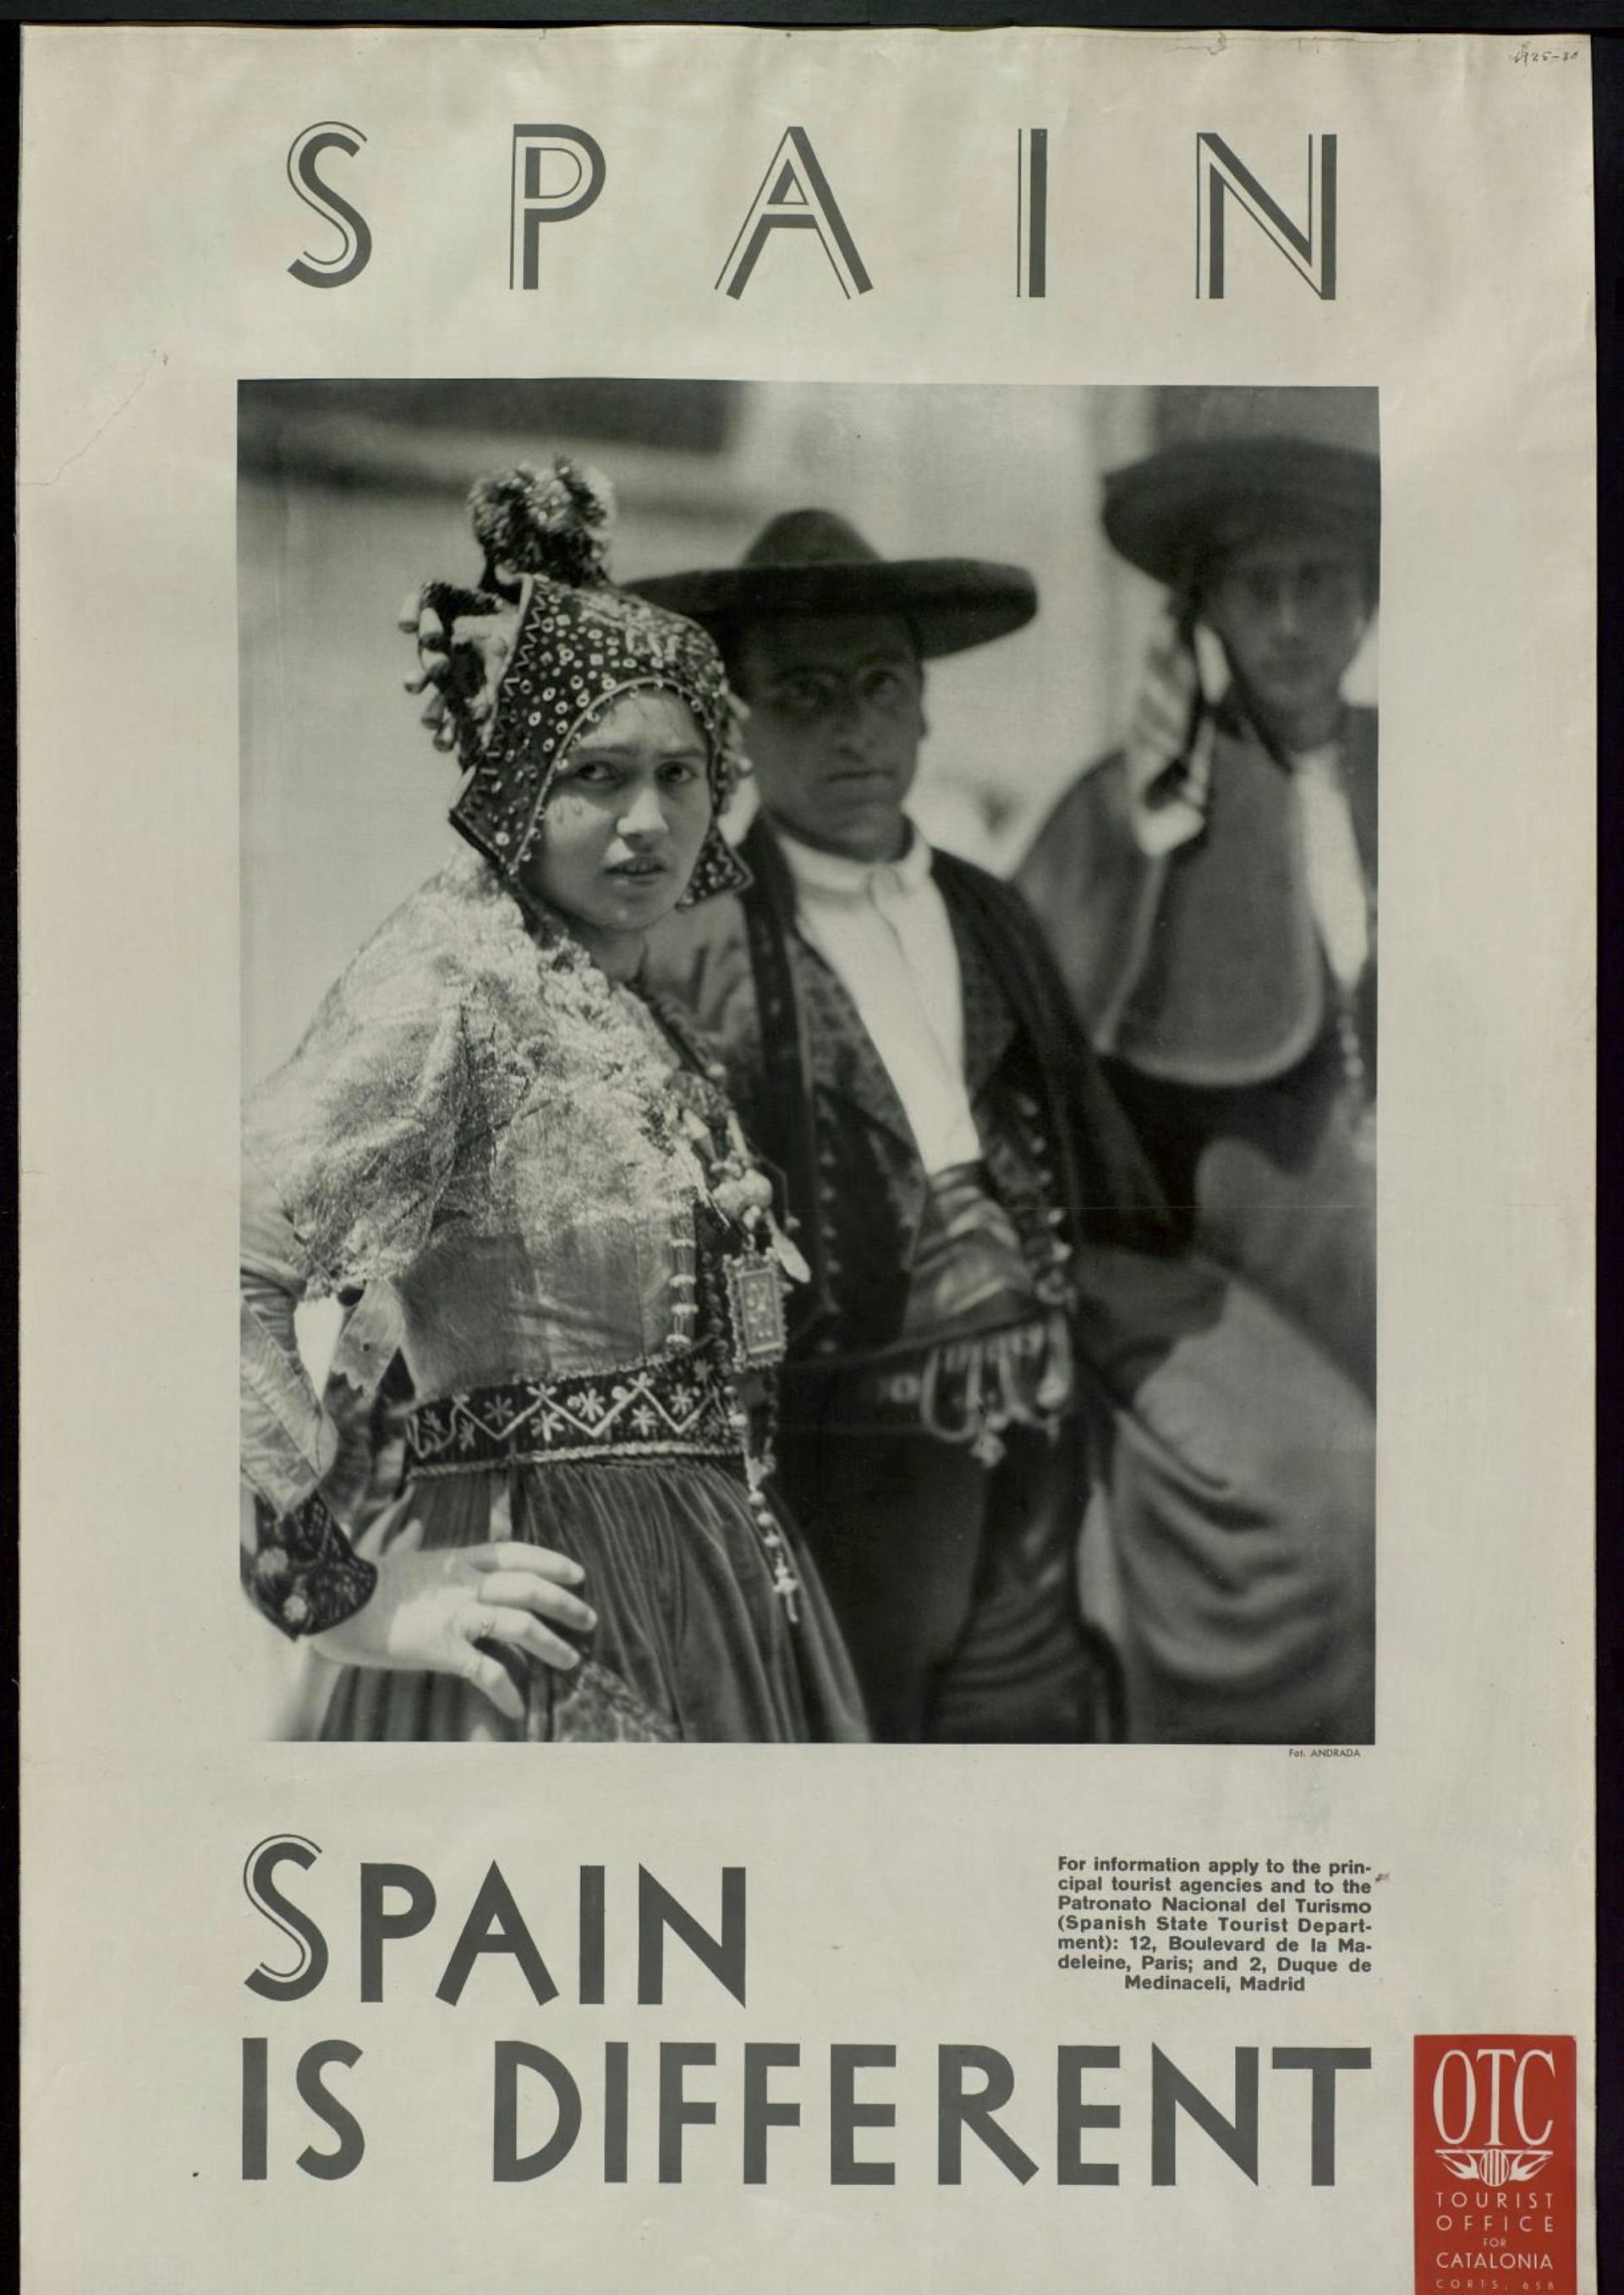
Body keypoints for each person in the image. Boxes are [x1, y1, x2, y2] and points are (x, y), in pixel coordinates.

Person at [607, 508, 1373, 1746]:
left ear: (921, 710)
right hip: (844, 1457)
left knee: (1029, 1725)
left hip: (1035, 1434)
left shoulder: (990, 912)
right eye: (804, 695)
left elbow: (1096, 1169)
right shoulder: (692, 954)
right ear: (733, 727)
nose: (852, 727)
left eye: (878, 688)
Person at [240, 463, 867, 1744]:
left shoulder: (657, 1022)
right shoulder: (455, 973)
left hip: (726, 1606)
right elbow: (228, 1254)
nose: (646, 822)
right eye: (595, 773)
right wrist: (343, 1595)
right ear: (519, 780)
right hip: (538, 1606)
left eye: (681, 774)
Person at [1018, 436, 1378, 1397]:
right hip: (1229, 1253)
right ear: (1210, 610)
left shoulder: (1425, 770)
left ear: (1370, 601)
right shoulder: (1135, 803)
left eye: (1321, 583)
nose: (1292, 623)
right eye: (1258, 589)